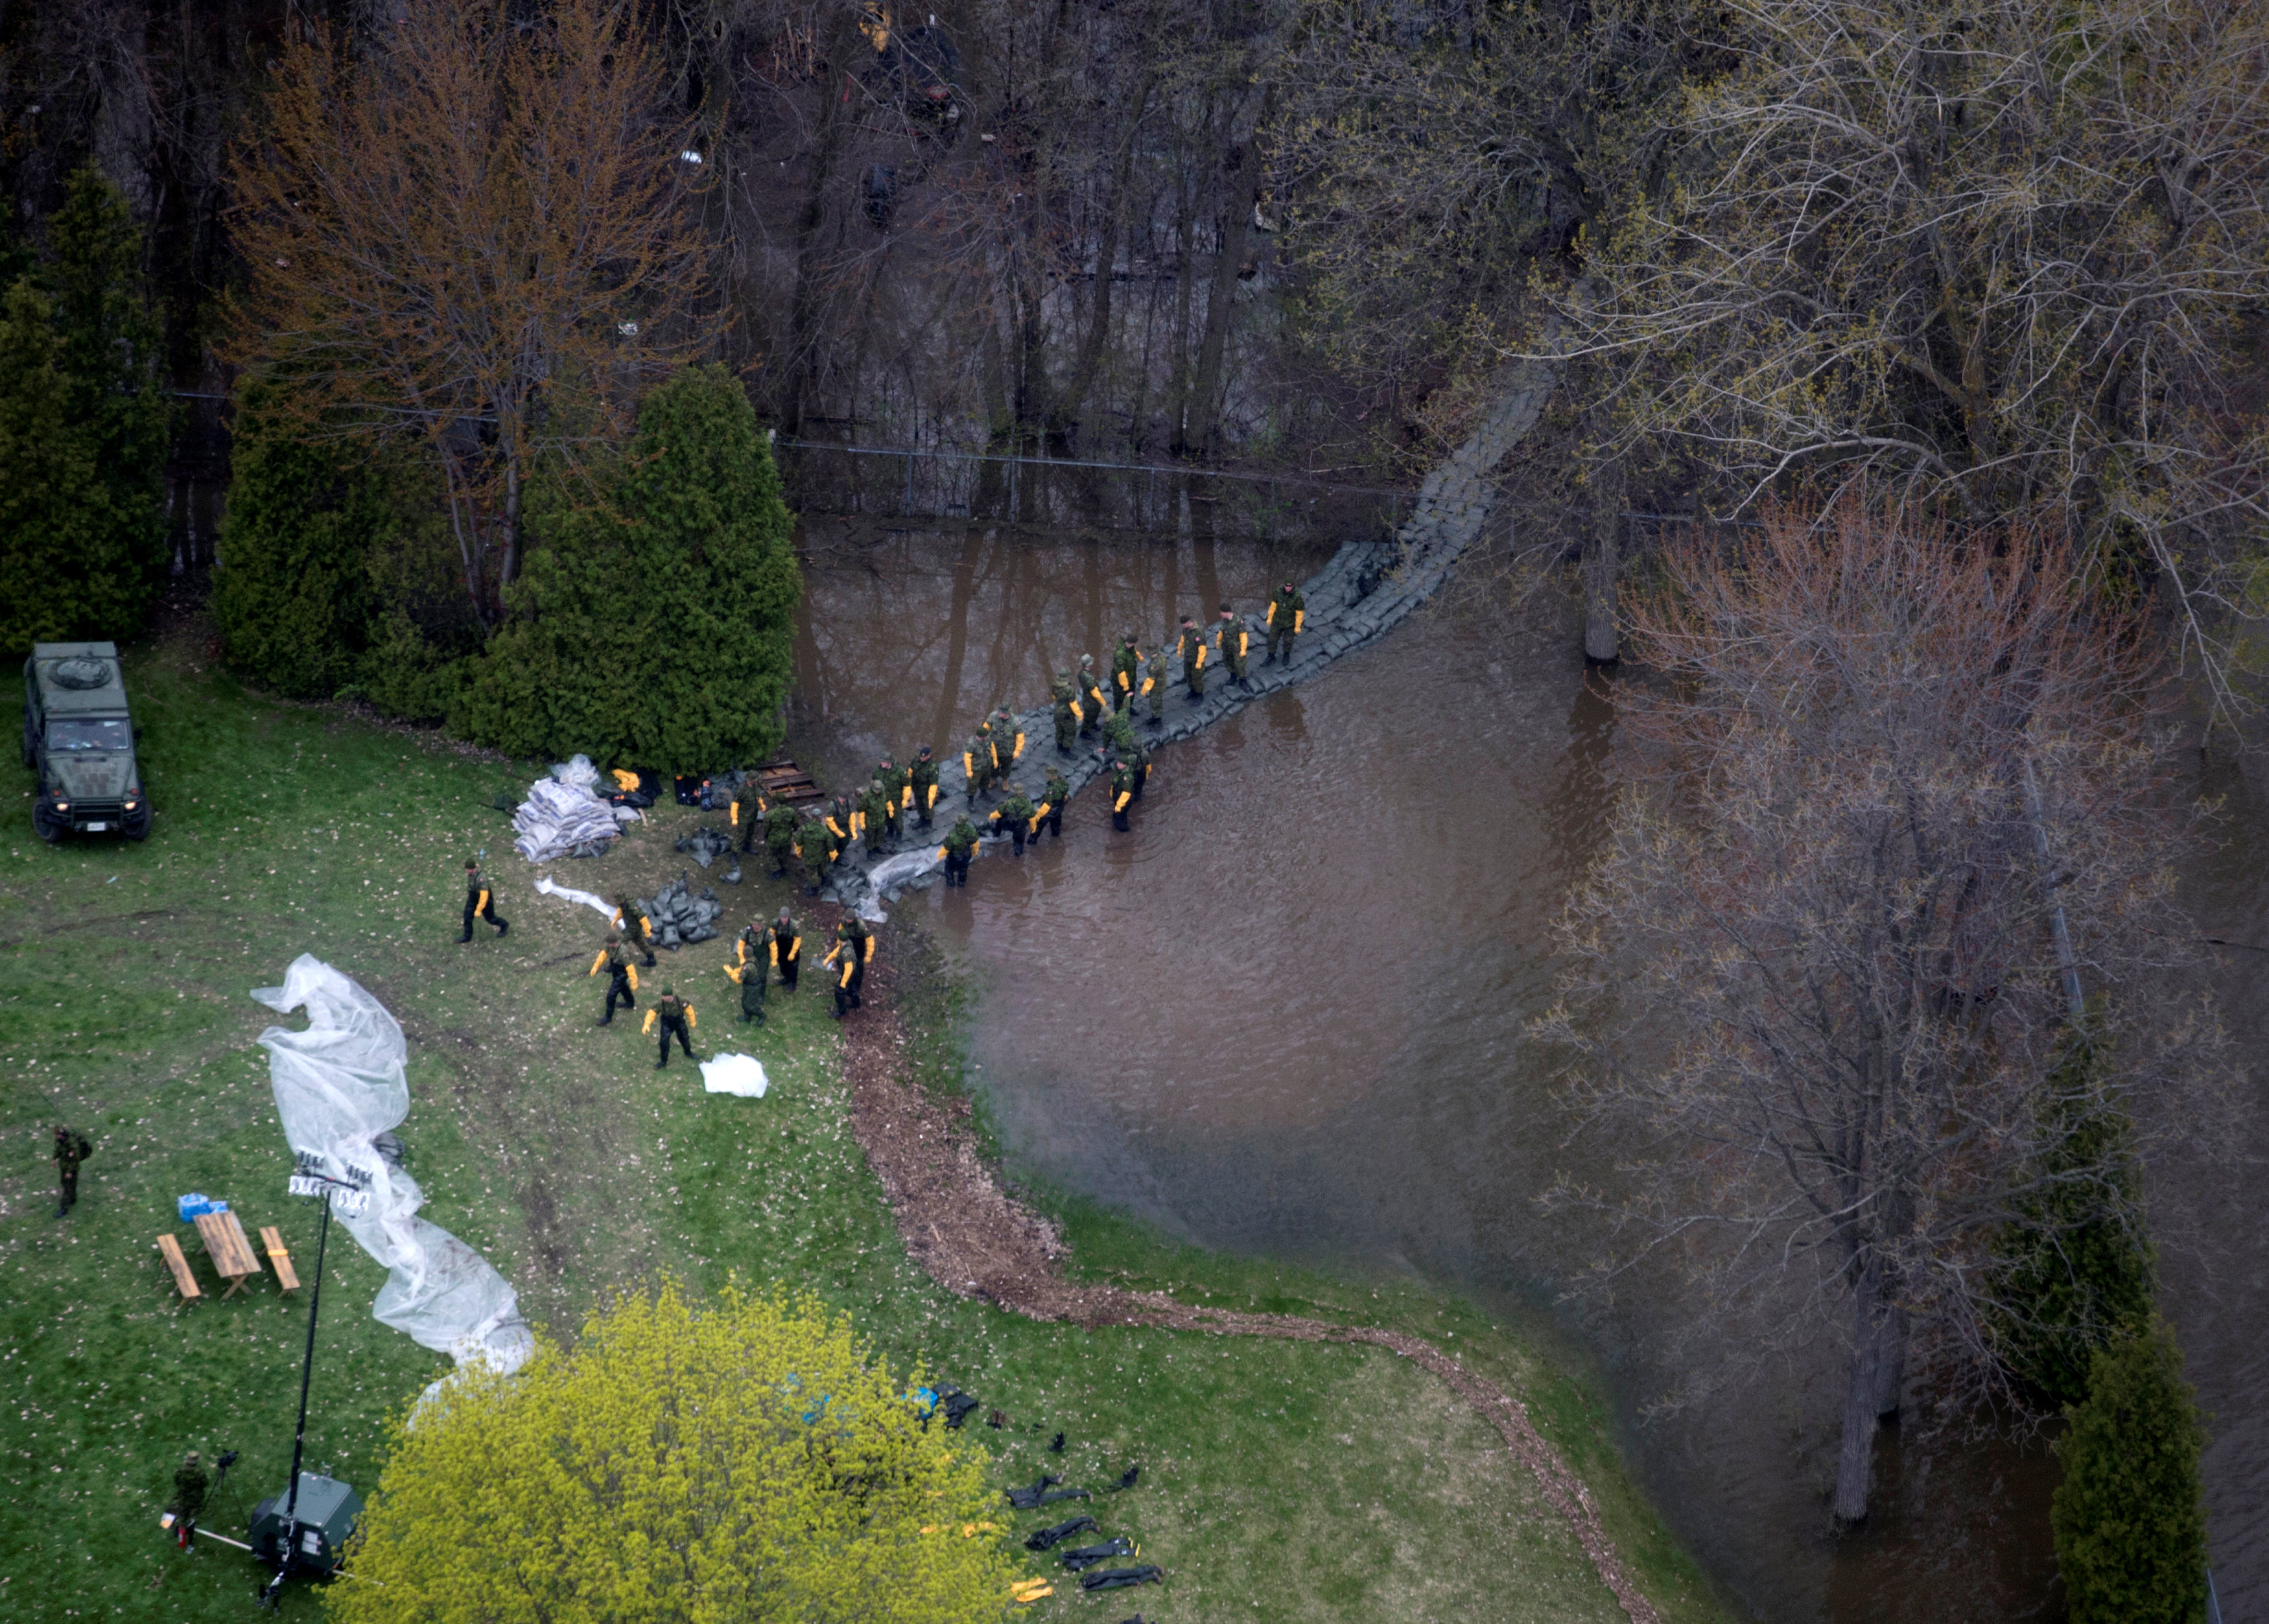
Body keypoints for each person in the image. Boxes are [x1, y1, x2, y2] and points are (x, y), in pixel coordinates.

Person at [589, 934, 639, 1026]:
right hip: (615, 969)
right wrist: (596, 966)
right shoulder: (610, 946)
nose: (607, 945)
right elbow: (603, 955)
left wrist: (634, 981)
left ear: (614, 943)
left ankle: (608, 1018)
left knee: (611, 996)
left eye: (609, 944)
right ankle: (630, 1003)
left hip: (622, 973)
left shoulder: (622, 951)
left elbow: (630, 967)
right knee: (623, 988)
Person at [642, 987, 697, 1068]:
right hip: (667, 1024)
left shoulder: (680, 1001)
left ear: (670, 996)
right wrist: (647, 1024)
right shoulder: (661, 1004)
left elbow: (690, 1010)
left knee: (685, 1038)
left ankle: (688, 1052)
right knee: (664, 1042)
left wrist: (693, 1021)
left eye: (665, 996)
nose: (663, 998)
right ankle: (663, 1061)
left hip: (679, 1022)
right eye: (663, 996)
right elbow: (652, 1013)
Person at [459, 860, 508, 943]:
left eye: (467, 869)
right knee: (467, 915)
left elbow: (484, 897)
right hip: (474, 895)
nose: (466, 871)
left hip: (485, 899)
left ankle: (504, 925)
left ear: (472, 869)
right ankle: (467, 937)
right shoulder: (471, 874)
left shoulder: (482, 879)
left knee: (490, 918)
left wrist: (478, 909)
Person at [172, 1452, 209, 1551]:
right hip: (195, 1501)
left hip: (183, 1499)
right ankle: (190, 1545)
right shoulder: (200, 1473)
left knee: (182, 1516)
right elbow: (205, 1484)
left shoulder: (180, 1472)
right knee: (192, 1521)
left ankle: (178, 1531)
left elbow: (176, 1482)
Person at [53, 1125, 91, 1219]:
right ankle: (73, 1199)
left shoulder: (72, 1146)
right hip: (64, 1167)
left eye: (57, 1135)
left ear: (62, 1135)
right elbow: (58, 1150)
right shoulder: (60, 1141)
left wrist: (70, 1172)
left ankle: (63, 1209)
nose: (55, 1137)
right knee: (71, 1185)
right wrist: (54, 1159)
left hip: (71, 1169)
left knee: (67, 1187)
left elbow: (75, 1160)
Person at [1265, 578, 1306, 664]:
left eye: (1290, 586)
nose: (1288, 587)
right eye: (1287, 585)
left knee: (1288, 640)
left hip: (1290, 623)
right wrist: (1270, 617)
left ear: (1293, 586)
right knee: (1271, 639)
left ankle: (1286, 655)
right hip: (1278, 621)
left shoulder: (1297, 597)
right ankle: (1271, 656)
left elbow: (1300, 613)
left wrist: (1298, 626)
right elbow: (1273, 605)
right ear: (1284, 585)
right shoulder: (1278, 592)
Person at [611, 893, 658, 965]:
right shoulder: (624, 906)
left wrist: (647, 931)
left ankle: (618, 962)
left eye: (618, 901)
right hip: (631, 928)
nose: (617, 903)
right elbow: (620, 911)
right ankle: (651, 960)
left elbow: (643, 918)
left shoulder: (632, 907)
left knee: (620, 943)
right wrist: (615, 920)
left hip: (633, 930)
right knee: (641, 944)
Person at [990, 788, 1039, 855]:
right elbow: (1032, 818)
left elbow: (998, 813)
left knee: (1000, 819)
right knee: (1019, 842)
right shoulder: (1028, 804)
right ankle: (1018, 854)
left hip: (1008, 824)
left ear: (1014, 793)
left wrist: (991, 817)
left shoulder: (1008, 802)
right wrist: (1033, 829)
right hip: (1020, 826)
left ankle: (997, 833)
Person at [725, 954, 767, 1025]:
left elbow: (739, 979)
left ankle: (762, 1015)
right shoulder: (753, 959)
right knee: (744, 1002)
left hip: (753, 988)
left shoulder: (747, 967)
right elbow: (742, 969)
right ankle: (747, 1017)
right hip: (749, 986)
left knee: (750, 1006)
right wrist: (736, 971)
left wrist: (731, 972)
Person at [794, 815, 832, 895]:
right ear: (820, 819)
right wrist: (831, 855)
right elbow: (830, 843)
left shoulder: (804, 829)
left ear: (812, 818)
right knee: (823, 868)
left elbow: (798, 842)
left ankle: (815, 890)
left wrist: (799, 853)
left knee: (812, 873)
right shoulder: (824, 830)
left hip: (809, 857)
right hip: (822, 856)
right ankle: (826, 881)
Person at [1216, 601, 1251, 685]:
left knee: (1239, 664)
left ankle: (1242, 680)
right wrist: (1219, 640)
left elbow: (1243, 637)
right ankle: (1233, 676)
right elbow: (1221, 631)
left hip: (1237, 649)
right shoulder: (1224, 621)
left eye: (1221, 612)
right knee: (1228, 662)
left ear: (1227, 612)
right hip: (1227, 647)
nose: (1220, 614)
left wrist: (1243, 650)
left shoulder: (1239, 622)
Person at [939, 814, 980, 887]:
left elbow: (947, 847)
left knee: (949, 870)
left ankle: (951, 885)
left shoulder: (952, 835)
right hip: (966, 854)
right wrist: (974, 852)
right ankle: (961, 884)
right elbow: (975, 842)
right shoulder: (972, 831)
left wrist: (945, 840)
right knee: (963, 870)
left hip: (954, 857)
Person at [762, 801, 800, 877]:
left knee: (771, 854)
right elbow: (796, 824)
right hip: (786, 839)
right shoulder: (791, 812)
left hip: (774, 839)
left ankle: (776, 871)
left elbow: (766, 826)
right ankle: (783, 868)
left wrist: (766, 835)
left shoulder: (771, 814)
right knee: (784, 854)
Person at [729, 780, 768, 853]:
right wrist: (734, 818)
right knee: (740, 835)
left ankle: (747, 847)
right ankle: (734, 853)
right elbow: (735, 804)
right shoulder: (742, 789)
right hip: (743, 816)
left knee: (750, 832)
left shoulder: (755, 787)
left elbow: (758, 796)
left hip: (752, 815)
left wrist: (762, 804)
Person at [878, 757, 910, 841]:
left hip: (896, 800)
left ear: (889, 763)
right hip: (884, 800)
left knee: (897, 818)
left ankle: (899, 834)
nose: (881, 763)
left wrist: (906, 799)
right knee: (887, 817)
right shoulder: (879, 770)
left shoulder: (899, 772)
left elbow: (907, 785)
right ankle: (890, 831)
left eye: (883, 762)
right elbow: (874, 782)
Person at [1177, 615, 1209, 699]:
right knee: (1188, 675)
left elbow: (1202, 648)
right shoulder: (1186, 630)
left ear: (1188, 623)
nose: (1183, 626)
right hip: (1188, 657)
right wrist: (1179, 649)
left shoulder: (1198, 632)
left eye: (1183, 624)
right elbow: (1183, 639)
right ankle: (1192, 691)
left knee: (1197, 677)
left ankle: (1199, 694)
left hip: (1196, 658)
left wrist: (1199, 661)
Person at [908, 746, 941, 829]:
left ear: (929, 756)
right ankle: (921, 820)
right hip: (917, 789)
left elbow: (933, 784)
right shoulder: (916, 760)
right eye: (921, 757)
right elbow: (911, 771)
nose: (922, 759)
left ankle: (928, 824)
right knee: (919, 805)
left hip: (926, 791)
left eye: (924, 757)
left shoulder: (933, 767)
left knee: (928, 808)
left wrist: (931, 798)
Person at [859, 778, 893, 856]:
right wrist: (862, 822)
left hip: (881, 819)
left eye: (879, 790)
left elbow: (888, 801)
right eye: (876, 790)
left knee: (880, 834)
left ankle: (878, 847)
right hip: (870, 821)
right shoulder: (866, 797)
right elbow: (861, 810)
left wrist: (890, 810)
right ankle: (870, 851)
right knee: (870, 836)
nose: (877, 792)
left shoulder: (883, 792)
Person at [772, 906, 803, 992]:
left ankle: (793, 983)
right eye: (782, 917)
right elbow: (772, 934)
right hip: (781, 947)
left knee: (793, 967)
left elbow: (797, 940)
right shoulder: (775, 923)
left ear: (788, 917)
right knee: (782, 964)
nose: (783, 920)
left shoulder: (794, 926)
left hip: (791, 947)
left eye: (785, 918)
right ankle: (786, 978)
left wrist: (793, 953)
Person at [964, 722, 996, 803]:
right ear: (980, 736)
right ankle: (970, 800)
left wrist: (995, 760)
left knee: (986, 780)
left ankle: (983, 793)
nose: (987, 737)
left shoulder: (987, 739)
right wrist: (969, 770)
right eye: (985, 736)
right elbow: (967, 757)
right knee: (973, 784)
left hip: (987, 765)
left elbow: (992, 749)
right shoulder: (971, 744)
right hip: (976, 768)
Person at [1052, 672, 1082, 754]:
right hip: (1067, 714)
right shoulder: (1069, 689)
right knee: (1070, 731)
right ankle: (1066, 751)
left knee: (1059, 729)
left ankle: (1059, 746)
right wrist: (1079, 714)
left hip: (1057, 712)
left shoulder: (1054, 686)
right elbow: (1073, 703)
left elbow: (1054, 697)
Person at [1036, 766, 1069, 840]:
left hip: (1052, 809)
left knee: (1040, 825)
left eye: (1048, 776)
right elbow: (1065, 793)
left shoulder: (1051, 789)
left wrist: (1039, 815)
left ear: (1050, 776)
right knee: (1056, 823)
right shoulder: (1063, 782)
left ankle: (1032, 841)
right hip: (1060, 805)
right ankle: (1056, 836)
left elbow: (1047, 804)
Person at [1111, 634, 1142, 712]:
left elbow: (1135, 652)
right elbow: (1121, 672)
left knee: (1131, 693)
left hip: (1130, 677)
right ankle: (1119, 713)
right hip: (1120, 681)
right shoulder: (1120, 654)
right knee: (1119, 697)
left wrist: (1139, 657)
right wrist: (1125, 685)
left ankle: (1129, 707)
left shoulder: (1131, 648)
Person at [1076, 659, 1106, 735]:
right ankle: (1084, 733)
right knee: (1090, 716)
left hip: (1086, 697)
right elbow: (1094, 692)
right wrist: (1102, 701)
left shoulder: (1081, 673)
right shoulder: (1089, 677)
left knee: (1093, 714)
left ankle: (1092, 724)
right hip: (1091, 700)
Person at [991, 707, 1026, 771]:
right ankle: (994, 778)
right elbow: (986, 729)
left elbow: (1020, 737)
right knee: (993, 765)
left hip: (1008, 751)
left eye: (1001, 713)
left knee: (1006, 766)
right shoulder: (994, 718)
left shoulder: (1015, 722)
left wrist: (1018, 750)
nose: (999, 714)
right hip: (995, 749)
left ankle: (1005, 779)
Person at [1142, 648, 1170, 726]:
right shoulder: (1162, 658)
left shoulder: (1154, 665)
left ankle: (1157, 719)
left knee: (1155, 702)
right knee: (1159, 700)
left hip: (1156, 686)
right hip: (1162, 683)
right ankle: (1157, 717)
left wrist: (1144, 690)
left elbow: (1151, 679)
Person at [1110, 758, 1139, 831]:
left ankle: (1125, 832)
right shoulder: (1122, 772)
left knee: (1116, 819)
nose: (1117, 765)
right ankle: (1124, 821)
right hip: (1120, 798)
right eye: (1118, 763)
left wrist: (1119, 806)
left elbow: (1126, 794)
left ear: (1125, 765)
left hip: (1124, 801)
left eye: (1120, 764)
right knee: (1122, 815)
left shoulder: (1127, 778)